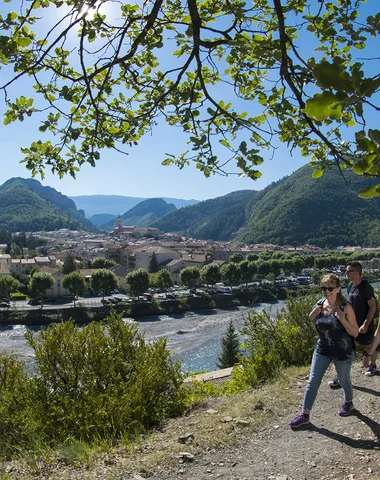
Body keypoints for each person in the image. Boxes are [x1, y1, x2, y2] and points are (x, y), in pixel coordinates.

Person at [289, 274, 359, 428]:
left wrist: (343, 319)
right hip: (323, 349)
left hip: (342, 351)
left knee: (344, 380)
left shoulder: (345, 307)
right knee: (313, 381)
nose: (326, 291)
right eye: (323, 288)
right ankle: (305, 415)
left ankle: (349, 403)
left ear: (338, 289)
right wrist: (312, 316)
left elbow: (355, 333)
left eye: (330, 288)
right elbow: (318, 322)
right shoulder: (320, 304)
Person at [328, 261, 378, 389]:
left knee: (368, 345)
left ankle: (372, 365)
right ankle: (341, 376)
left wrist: (366, 324)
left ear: (356, 273)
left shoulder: (366, 287)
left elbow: (373, 307)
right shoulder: (350, 285)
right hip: (351, 324)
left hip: (364, 324)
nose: (346, 273)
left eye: (348, 271)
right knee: (345, 348)